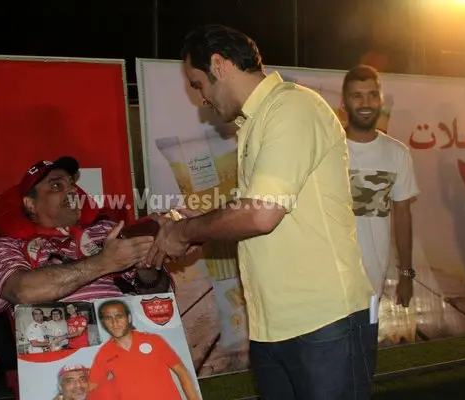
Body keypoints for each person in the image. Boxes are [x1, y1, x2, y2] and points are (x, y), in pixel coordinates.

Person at [145, 24, 378, 399]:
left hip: (324, 322)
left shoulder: (291, 107)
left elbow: (260, 214)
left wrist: (186, 232)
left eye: (198, 84)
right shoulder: (254, 122)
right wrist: (196, 226)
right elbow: (251, 210)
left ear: (219, 65)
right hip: (272, 327)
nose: (201, 98)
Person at [0, 156, 171, 317]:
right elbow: (22, 292)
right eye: (56, 185)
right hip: (58, 340)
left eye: (72, 184)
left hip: (131, 331)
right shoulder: (8, 246)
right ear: (30, 204)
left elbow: (159, 294)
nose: (72, 191)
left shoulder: (108, 230)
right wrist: (103, 262)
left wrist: (147, 271)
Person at [341, 65, 419, 307]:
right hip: (327, 277)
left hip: (373, 277)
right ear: (344, 103)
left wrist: (406, 274)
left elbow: (403, 215)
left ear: (381, 100)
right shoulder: (326, 147)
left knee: (367, 333)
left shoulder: (397, 153)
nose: (366, 103)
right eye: (357, 96)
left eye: (372, 95)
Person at [88, 299, 200, 400]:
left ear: (129, 318)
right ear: (103, 322)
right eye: (108, 318)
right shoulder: (104, 353)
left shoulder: (154, 340)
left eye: (119, 316)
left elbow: (182, 372)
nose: (114, 322)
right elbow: (91, 388)